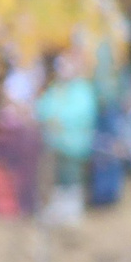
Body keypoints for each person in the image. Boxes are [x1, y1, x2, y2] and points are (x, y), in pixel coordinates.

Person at [34, 48, 98, 227]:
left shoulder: (83, 89)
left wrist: (60, 119)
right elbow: (43, 107)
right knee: (56, 181)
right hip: (54, 144)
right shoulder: (56, 88)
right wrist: (48, 117)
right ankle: (57, 211)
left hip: (74, 145)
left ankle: (71, 213)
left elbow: (83, 113)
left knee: (71, 179)